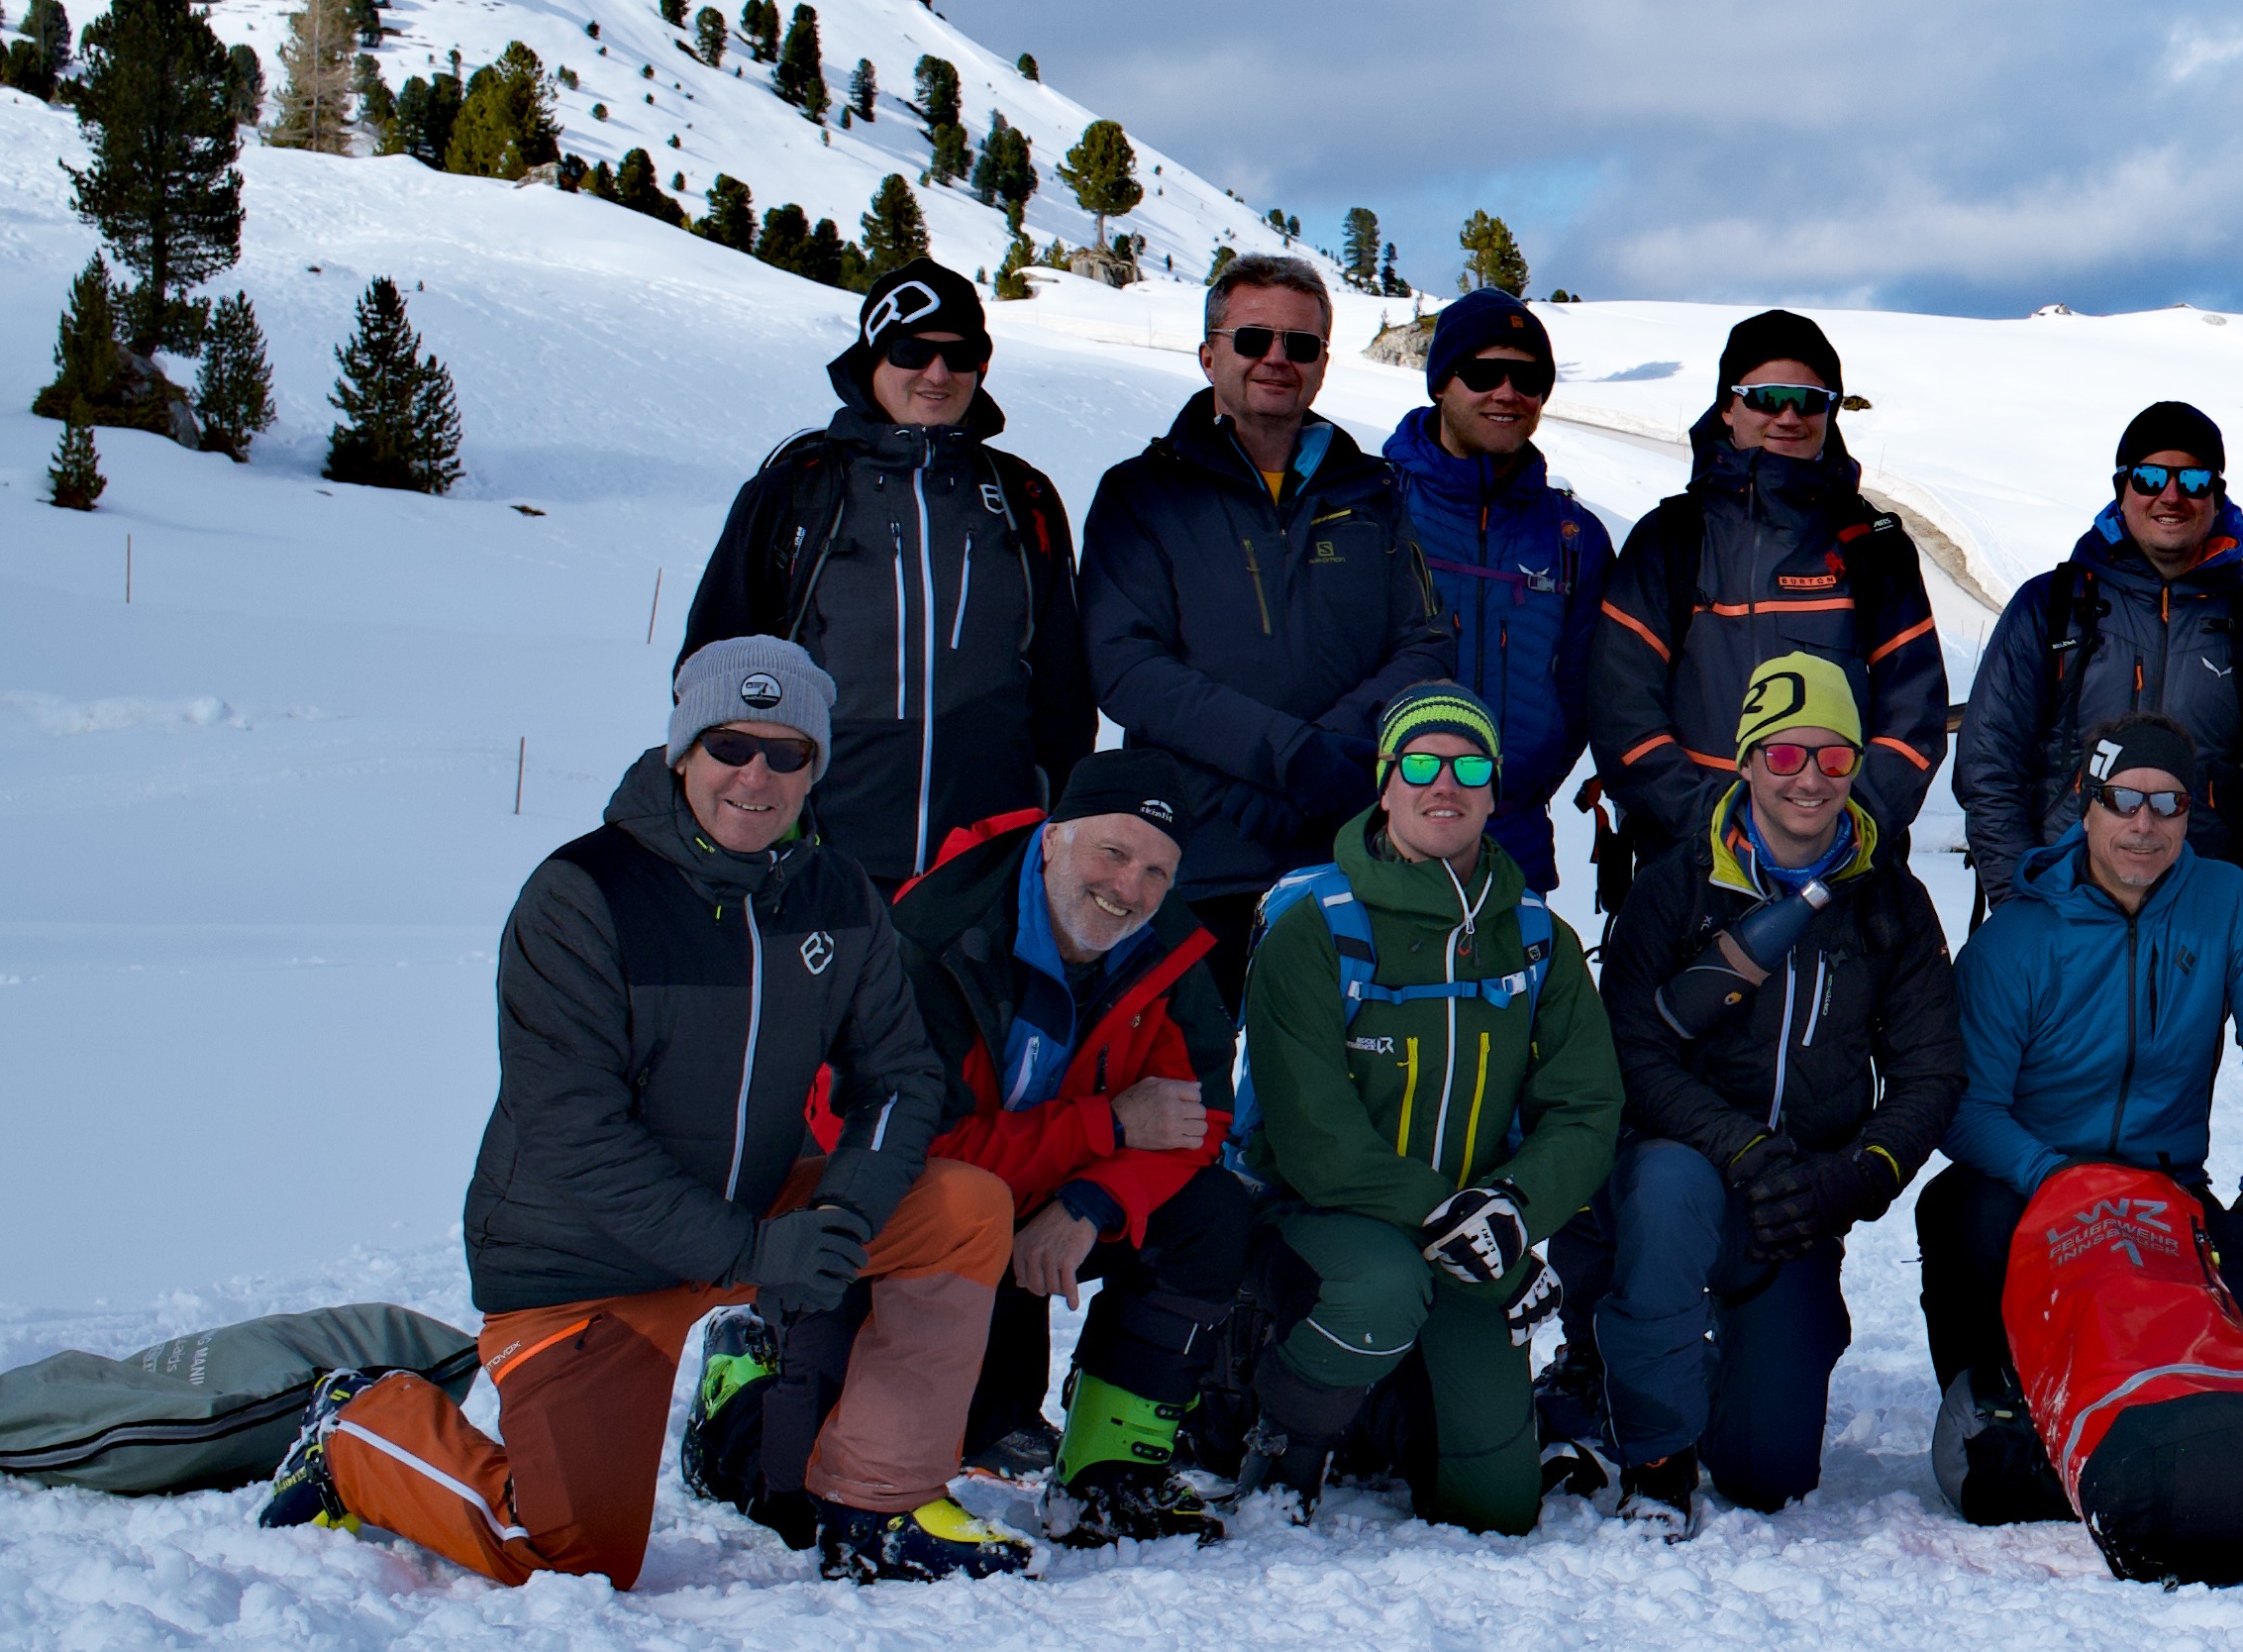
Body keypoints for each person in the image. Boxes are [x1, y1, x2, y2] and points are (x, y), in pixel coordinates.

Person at [372, 639, 1025, 1588]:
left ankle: (879, 1506)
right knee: (569, 1558)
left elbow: (901, 1077)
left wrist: (839, 1220)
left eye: (787, 752)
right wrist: (760, 1257)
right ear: (683, 754)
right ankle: (360, 1426)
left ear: (816, 770)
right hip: (584, 1262)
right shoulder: (583, 895)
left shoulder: (837, 897)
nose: (756, 775)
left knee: (964, 1208)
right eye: (730, 745)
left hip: (752, 1219)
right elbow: (573, 1134)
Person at [1228, 685, 1624, 1533]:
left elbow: (1587, 1105)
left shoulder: (1536, 938)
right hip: (1321, 1221)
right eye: (1420, 764)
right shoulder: (1318, 925)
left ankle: (1380, 1412)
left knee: (1498, 1508)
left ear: (1494, 791)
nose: (1444, 783)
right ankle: (1286, 1440)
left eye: (1468, 765)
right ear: (1385, 783)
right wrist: (1456, 1220)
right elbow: (1311, 1132)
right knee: (1380, 1285)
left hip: (1470, 1236)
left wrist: (1514, 1210)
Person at [1598, 654, 1961, 1526]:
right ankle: (1655, 1453)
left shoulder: (1890, 900)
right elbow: (1633, 1054)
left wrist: (1859, 1174)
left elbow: (1932, 1069)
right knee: (1664, 1191)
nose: (1810, 779)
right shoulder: (1677, 886)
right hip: (1691, 1171)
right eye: (1786, 755)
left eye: (1833, 757)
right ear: (1748, 761)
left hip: (1798, 1201)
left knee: (1769, 1475)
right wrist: (1744, 1148)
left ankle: (1734, 1367)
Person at [1930, 715, 2243, 1508]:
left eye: (2168, 804)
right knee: (1959, 1216)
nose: (2144, 825)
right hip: (2033, 1181)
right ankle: (1998, 1402)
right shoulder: (2020, 936)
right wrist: (2056, 1178)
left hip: (2161, 1181)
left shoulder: (2230, 906)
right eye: (2123, 801)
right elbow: (1965, 1106)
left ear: (2190, 814)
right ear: (2088, 806)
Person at [869, 744, 1250, 1549]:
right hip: (907, 1222)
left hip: (1047, 1195)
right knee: (783, 1470)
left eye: (1157, 872)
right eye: (1113, 852)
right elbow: (905, 1151)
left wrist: (1094, 1198)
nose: (1129, 889)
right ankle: (752, 1366)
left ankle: (1109, 1476)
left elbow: (1200, 1120)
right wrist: (1107, 1127)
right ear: (1052, 838)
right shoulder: (931, 934)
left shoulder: (1170, 950)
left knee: (1211, 1213)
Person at [674, 259, 1091, 889]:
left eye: (962, 354)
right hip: (816, 860)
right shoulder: (798, 490)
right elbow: (713, 672)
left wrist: (1050, 818)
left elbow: (1062, 686)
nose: (938, 373)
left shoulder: (1022, 495)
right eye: (911, 350)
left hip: (987, 865)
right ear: (871, 358)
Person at [1081, 252, 1450, 950]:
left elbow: (1426, 643)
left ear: (1321, 363)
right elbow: (1126, 667)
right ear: (1208, 354)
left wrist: (1330, 754)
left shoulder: (1372, 495)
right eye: (1253, 339)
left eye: (1301, 345)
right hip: (1190, 856)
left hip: (1347, 852)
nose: (1277, 359)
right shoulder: (1144, 494)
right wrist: (1286, 757)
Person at [1584, 308, 1949, 864]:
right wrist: (1722, 829)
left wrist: (1839, 830)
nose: (1787, 415)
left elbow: (1913, 715)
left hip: (1844, 866)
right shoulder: (1672, 539)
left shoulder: (1872, 546)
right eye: (1765, 396)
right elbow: (1621, 712)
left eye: (1809, 400)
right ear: (1728, 408)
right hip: (1688, 862)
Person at [1956, 399, 2243, 895]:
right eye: (2148, 478)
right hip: (2064, 904)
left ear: (2217, 496)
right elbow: (1990, 764)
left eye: (2193, 480)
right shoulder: (2052, 605)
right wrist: (2018, 899)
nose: (2171, 496)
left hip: (2204, 913)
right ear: (2121, 488)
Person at [1380, 284, 1613, 899]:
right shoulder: (1372, 507)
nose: (1507, 393)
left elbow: (1583, 691)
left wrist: (1522, 784)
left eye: (1528, 377)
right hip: (1378, 840)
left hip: (1515, 844)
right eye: (1483, 372)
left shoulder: (1574, 537)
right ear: (1441, 383)